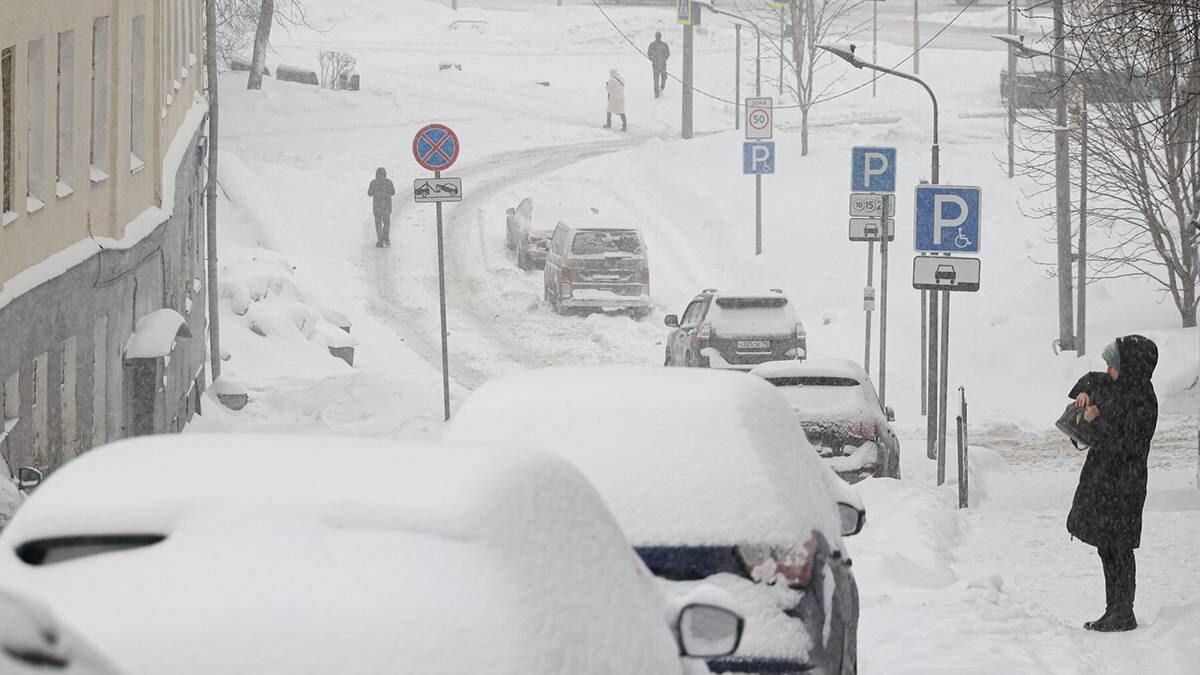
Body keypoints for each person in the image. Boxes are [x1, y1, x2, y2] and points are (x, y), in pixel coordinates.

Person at [1067, 335, 1158, 632]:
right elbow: (1092, 379)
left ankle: (1124, 612)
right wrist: (1083, 393)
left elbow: (1126, 443)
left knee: (1120, 548)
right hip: (1106, 483)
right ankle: (1113, 610)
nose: (1107, 369)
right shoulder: (1117, 385)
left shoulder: (1143, 401)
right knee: (1106, 546)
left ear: (1129, 367)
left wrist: (1097, 419)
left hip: (1124, 486)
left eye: (1113, 364)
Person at [367, 167, 396, 247]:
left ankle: (380, 240)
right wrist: (386, 191)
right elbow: (393, 192)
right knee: (386, 223)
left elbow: (369, 193)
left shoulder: (373, 183)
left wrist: (376, 190)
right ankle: (386, 239)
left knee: (378, 224)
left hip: (377, 207)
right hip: (386, 206)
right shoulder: (388, 182)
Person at [647, 31, 670, 97]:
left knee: (661, 77)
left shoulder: (661, 45)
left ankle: (660, 89)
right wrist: (655, 59)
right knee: (658, 78)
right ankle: (657, 92)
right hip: (658, 64)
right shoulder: (661, 45)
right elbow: (649, 54)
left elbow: (667, 54)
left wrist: (655, 59)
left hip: (660, 64)